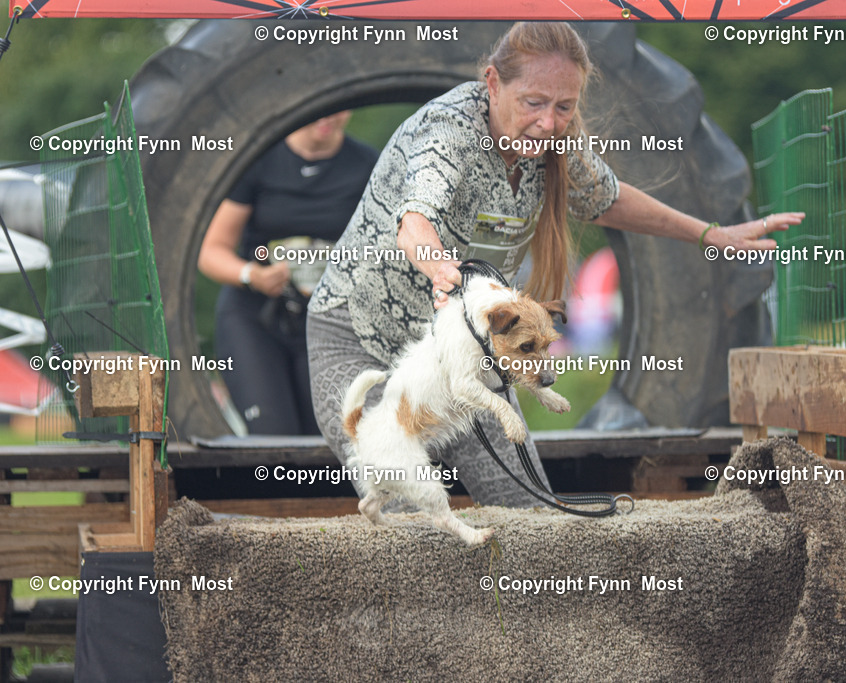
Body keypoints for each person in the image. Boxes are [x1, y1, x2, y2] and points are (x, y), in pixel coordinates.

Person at [307, 23, 803, 506]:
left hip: (459, 358)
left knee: (532, 516)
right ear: (494, 83)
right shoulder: (451, 129)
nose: (548, 122)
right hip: (359, 341)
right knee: (405, 516)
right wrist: (441, 269)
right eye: (533, 104)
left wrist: (710, 233)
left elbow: (608, 199)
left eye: (564, 106)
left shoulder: (556, 143)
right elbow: (415, 218)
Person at [198, 112, 378, 435]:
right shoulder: (258, 160)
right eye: (319, 109)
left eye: (338, 108)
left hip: (327, 324)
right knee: (273, 434)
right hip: (256, 317)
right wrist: (252, 275)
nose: (327, 118)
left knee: (329, 436)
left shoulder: (367, 163)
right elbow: (211, 252)